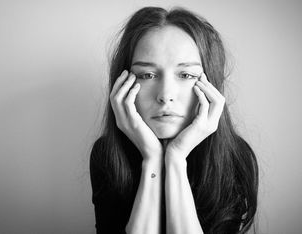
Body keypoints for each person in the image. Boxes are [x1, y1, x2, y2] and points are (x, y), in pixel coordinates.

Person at [90, 6, 258, 234]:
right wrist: (152, 159)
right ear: (123, 85)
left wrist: (176, 159)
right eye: (147, 75)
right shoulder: (108, 154)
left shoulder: (234, 157)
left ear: (211, 87)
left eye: (186, 75)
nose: (165, 95)